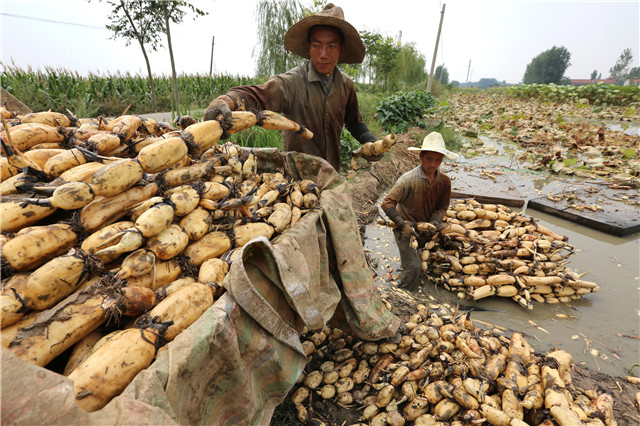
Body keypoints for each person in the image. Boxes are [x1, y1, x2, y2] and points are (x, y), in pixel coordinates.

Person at [203, 3, 380, 171]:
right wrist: (226, 100)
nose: (323, 54)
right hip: (298, 177)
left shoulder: (346, 85)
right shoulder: (293, 82)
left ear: (341, 50)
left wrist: (371, 142)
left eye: (331, 46)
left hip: (331, 173)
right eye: (317, 46)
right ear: (308, 47)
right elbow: (259, 95)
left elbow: (355, 122)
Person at [380, 132, 458, 292]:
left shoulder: (444, 182)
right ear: (421, 156)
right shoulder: (408, 180)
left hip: (428, 227)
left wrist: (435, 222)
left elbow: (442, 207)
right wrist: (402, 225)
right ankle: (403, 295)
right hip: (406, 228)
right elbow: (387, 203)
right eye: (429, 159)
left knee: (437, 256)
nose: (433, 164)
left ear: (442, 159)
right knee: (414, 268)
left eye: (438, 160)